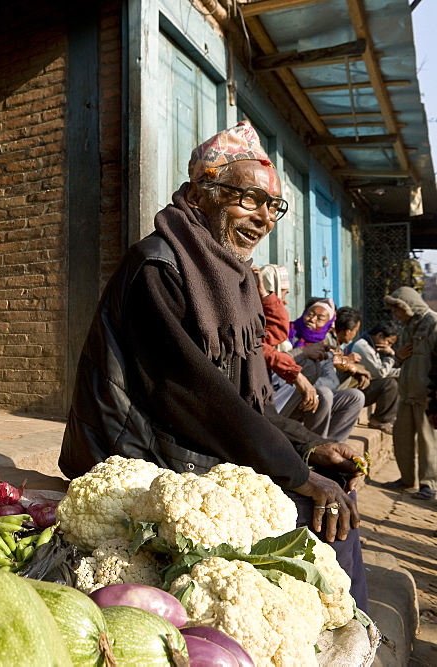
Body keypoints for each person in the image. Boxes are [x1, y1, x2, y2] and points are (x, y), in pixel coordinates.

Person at [60, 121, 368, 609]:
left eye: (273, 206)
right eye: (249, 199)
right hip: (135, 456)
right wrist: (298, 475)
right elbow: (192, 394)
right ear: (204, 190)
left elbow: (248, 400)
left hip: (182, 443)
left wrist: (310, 449)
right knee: (319, 512)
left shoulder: (236, 280)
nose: (264, 217)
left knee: (335, 499)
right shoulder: (157, 266)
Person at [281, 299, 365, 443]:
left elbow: (332, 381)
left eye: (320, 318)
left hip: (310, 400)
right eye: (310, 314)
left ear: (328, 323)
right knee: (324, 393)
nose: (312, 319)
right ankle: (313, 447)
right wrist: (303, 384)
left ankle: (331, 445)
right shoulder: (286, 334)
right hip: (284, 396)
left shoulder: (323, 346)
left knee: (355, 396)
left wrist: (310, 387)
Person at [385, 287, 437, 500]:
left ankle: (428, 485)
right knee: (402, 437)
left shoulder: (433, 323)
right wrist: (397, 356)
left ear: (409, 305)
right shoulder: (407, 327)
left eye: (398, 310)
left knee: (428, 442)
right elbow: (403, 357)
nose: (396, 315)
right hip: (406, 393)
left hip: (426, 395)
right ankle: (407, 479)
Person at [257, 264, 318, 416]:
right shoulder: (251, 312)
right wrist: (296, 374)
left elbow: (276, 333)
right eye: (282, 294)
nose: (285, 301)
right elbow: (259, 346)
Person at [334, 311, 398, 434]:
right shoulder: (362, 346)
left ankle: (388, 419)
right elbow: (381, 373)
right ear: (380, 335)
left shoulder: (372, 346)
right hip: (345, 388)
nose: (388, 346)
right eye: (388, 342)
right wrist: (390, 356)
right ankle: (379, 420)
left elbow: (382, 370)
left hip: (355, 386)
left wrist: (402, 372)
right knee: (389, 384)